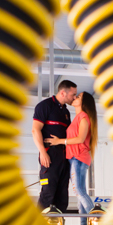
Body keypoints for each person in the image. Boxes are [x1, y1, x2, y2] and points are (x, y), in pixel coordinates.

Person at [47, 91, 97, 214]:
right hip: (74, 158)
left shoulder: (84, 117)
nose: (75, 98)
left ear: (83, 103)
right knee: (81, 194)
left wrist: (59, 141)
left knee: (79, 191)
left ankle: (96, 215)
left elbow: (80, 138)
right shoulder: (77, 118)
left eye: (78, 97)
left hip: (78, 157)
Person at [32, 80, 77, 212]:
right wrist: (43, 152)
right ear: (63, 92)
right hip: (49, 154)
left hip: (64, 157)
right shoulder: (44, 106)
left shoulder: (66, 112)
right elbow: (35, 130)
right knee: (48, 193)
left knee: (62, 197)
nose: (74, 98)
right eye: (72, 95)